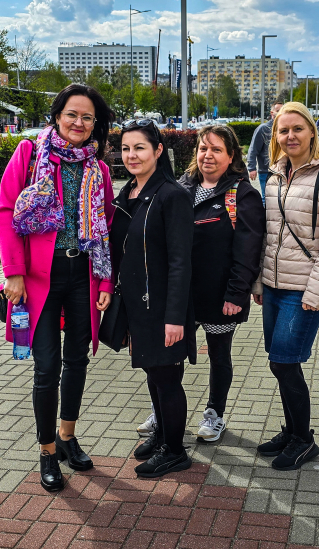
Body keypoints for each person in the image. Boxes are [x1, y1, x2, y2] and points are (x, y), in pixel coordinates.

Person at [0, 84, 116, 492]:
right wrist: (13, 272)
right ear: (57, 116)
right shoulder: (30, 154)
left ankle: (67, 437)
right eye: (72, 114)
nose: (79, 123)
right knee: (47, 366)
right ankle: (47, 451)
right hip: (38, 278)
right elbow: (6, 210)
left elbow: (105, 227)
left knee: (77, 360)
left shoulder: (99, 169)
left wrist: (105, 280)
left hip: (83, 274)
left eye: (87, 117)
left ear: (95, 124)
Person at [252, 102, 319, 470]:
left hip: (304, 289)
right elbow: (268, 235)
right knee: (281, 363)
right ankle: (293, 430)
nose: (290, 136)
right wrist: (259, 281)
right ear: (275, 136)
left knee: (285, 362)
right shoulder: (276, 174)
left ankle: (304, 440)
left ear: (312, 131)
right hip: (274, 285)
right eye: (283, 130)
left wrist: (316, 292)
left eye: (297, 128)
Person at [109, 119, 196, 478]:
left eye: (140, 148)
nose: (131, 155)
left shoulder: (172, 195)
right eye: (126, 149)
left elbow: (181, 261)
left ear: (158, 150)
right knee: (153, 371)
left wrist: (175, 317)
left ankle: (175, 451)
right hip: (137, 304)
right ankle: (162, 436)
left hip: (161, 306)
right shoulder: (128, 191)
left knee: (167, 376)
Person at [177, 125, 265, 443]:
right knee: (170, 354)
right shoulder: (181, 187)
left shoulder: (242, 194)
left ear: (231, 156)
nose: (208, 155)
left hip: (220, 296)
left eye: (216, 150)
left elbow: (248, 250)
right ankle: (164, 411)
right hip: (181, 295)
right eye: (203, 148)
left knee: (218, 354)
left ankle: (215, 413)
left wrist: (237, 293)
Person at [247, 101, 282, 204]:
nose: (281, 113)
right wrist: (252, 168)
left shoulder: (286, 130)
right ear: (272, 113)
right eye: (278, 110)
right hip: (266, 171)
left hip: (282, 171)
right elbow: (253, 149)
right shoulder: (263, 129)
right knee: (266, 199)